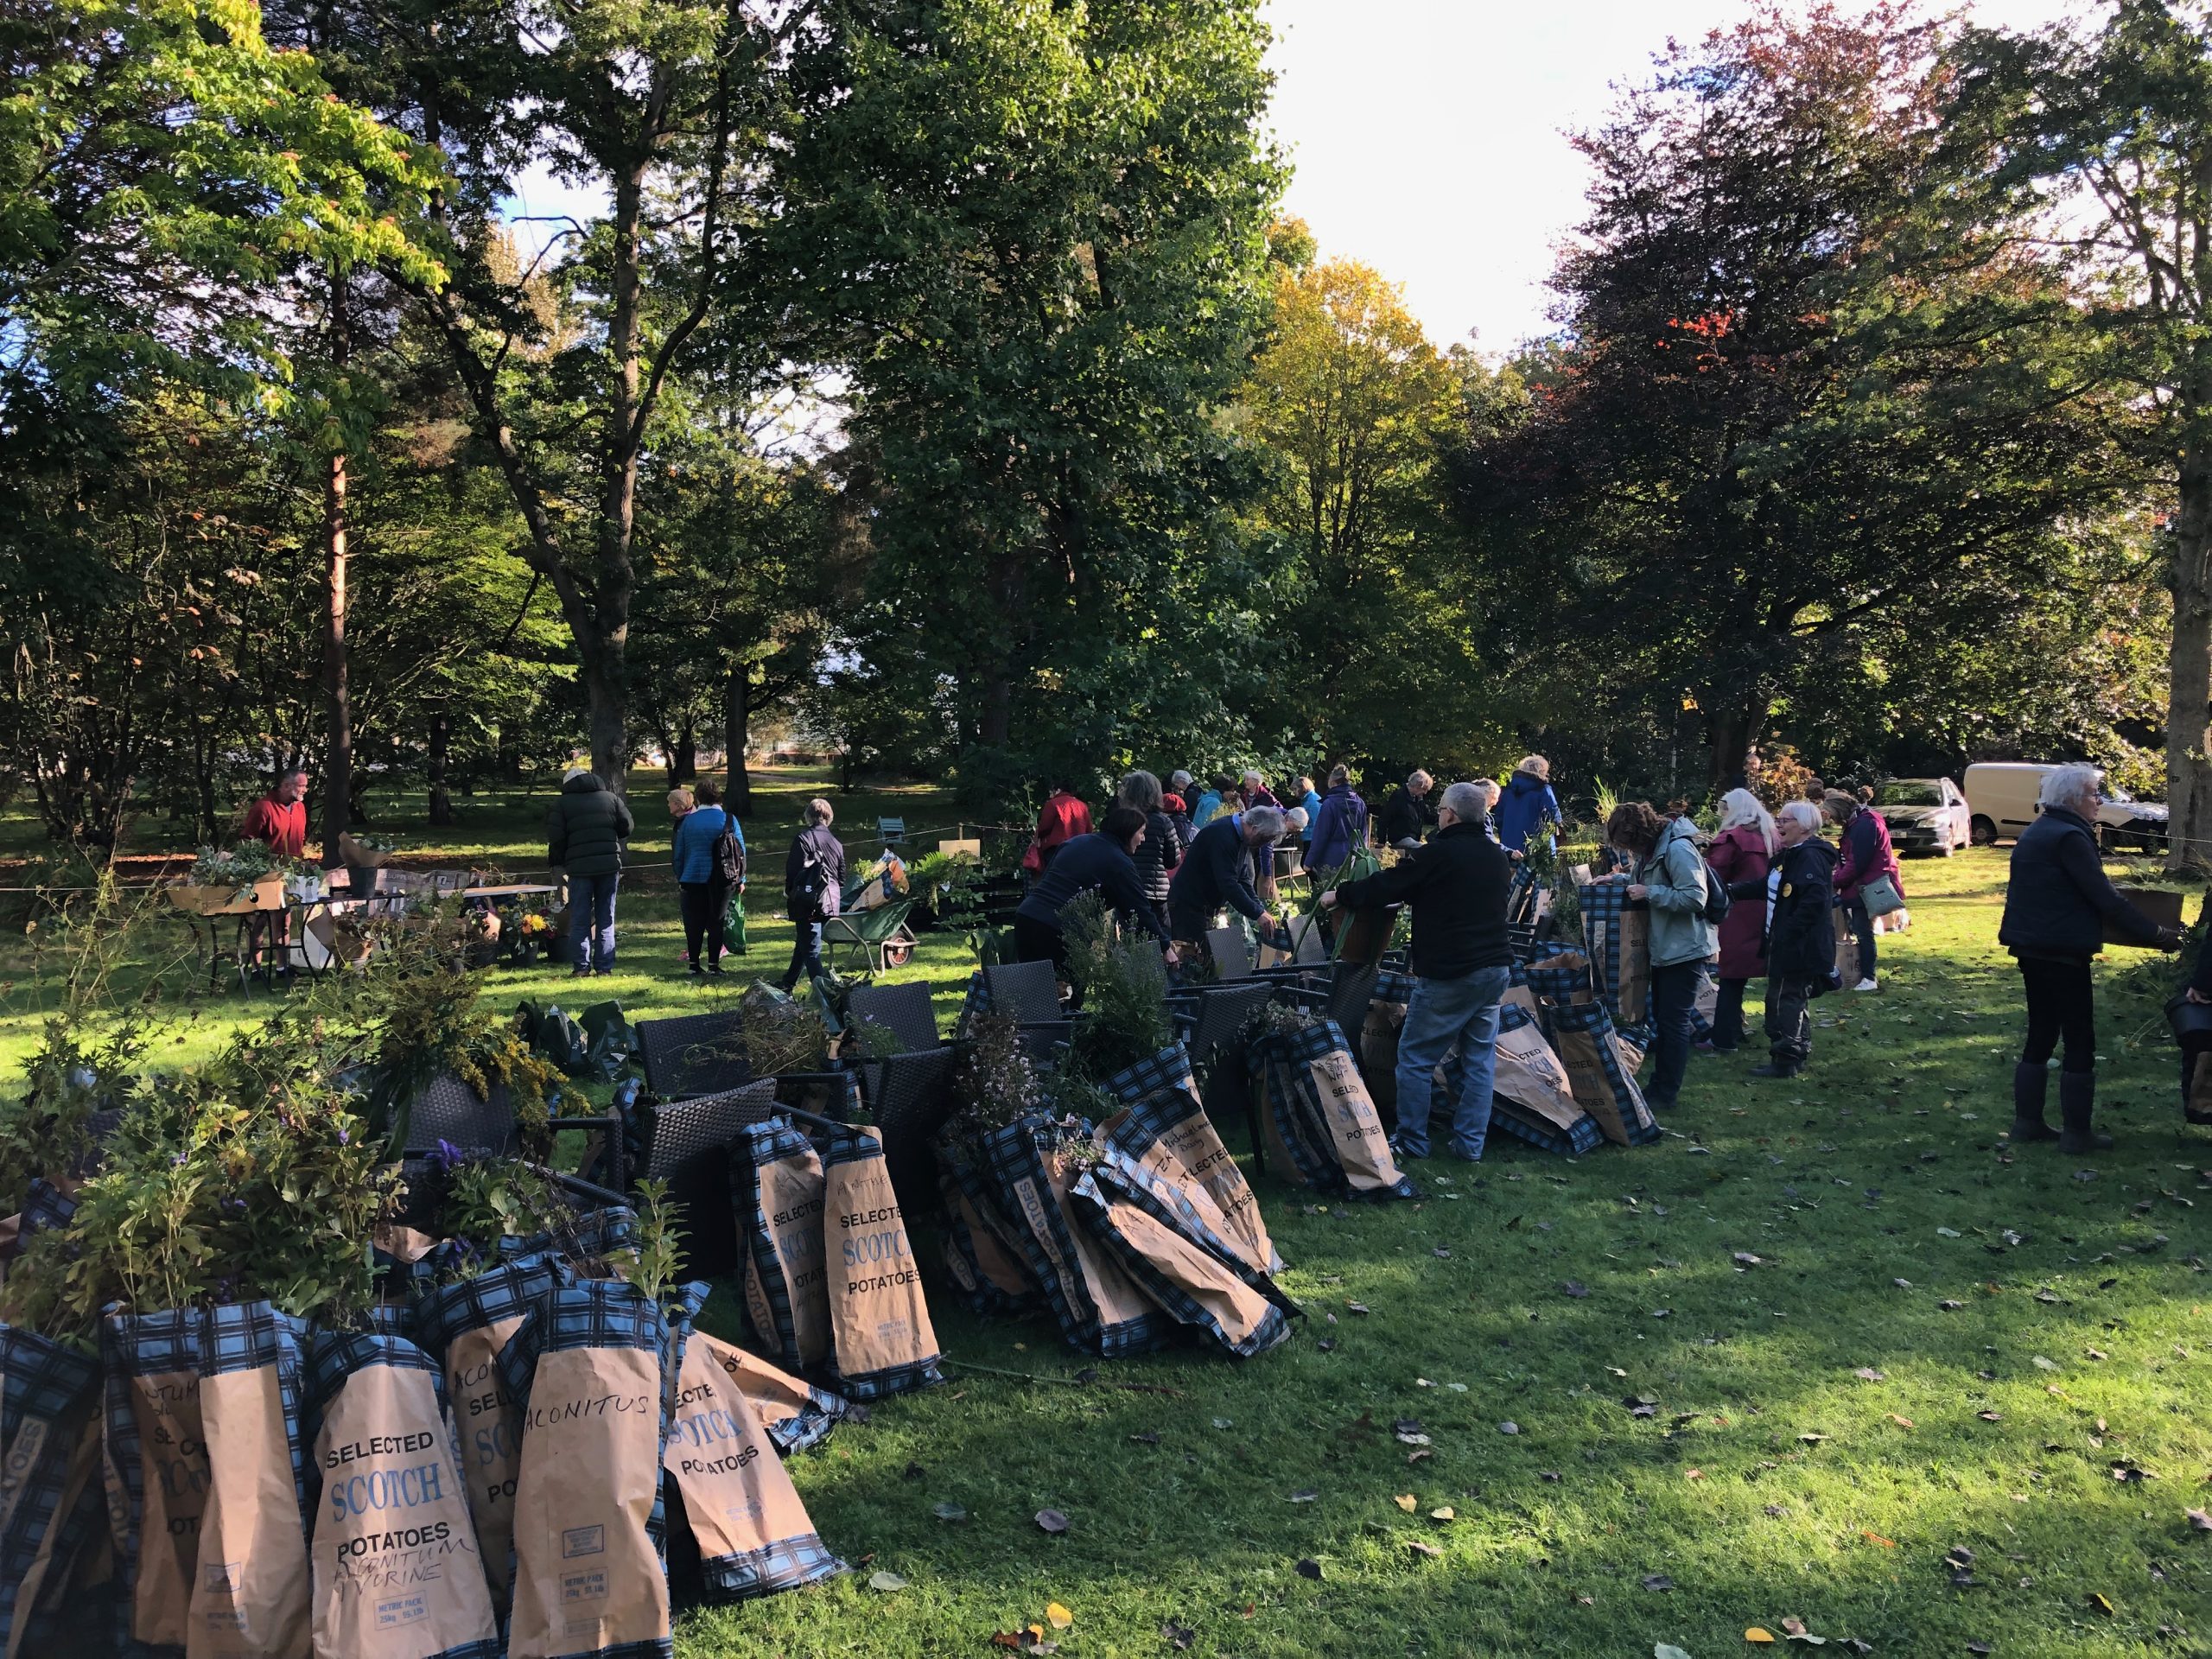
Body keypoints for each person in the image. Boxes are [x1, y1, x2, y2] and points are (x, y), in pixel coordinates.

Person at [1319, 781, 1510, 1161]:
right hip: (1495, 970)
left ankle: (1411, 1140)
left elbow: (1389, 884)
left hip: (1450, 972)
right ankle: (1470, 1146)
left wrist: (1338, 895)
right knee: (1478, 1062)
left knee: (1415, 1058)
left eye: (1439, 809)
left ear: (1450, 815)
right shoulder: (1496, 856)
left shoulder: (1439, 854)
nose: (1435, 815)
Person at [1997, 763, 2182, 1152]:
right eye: (2093, 795)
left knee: (2042, 1033)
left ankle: (2027, 1124)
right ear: (2072, 799)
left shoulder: (2039, 831)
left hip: (2032, 946)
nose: (2098, 802)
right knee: (2079, 1038)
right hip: (2062, 950)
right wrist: (2158, 934)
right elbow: (2105, 898)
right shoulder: (2068, 836)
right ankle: (2077, 1134)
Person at [1607, 799, 1717, 1113]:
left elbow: (1695, 897)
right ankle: (1658, 1086)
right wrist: (1615, 881)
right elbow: (1643, 883)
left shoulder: (1678, 850)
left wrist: (1650, 894)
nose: (1629, 850)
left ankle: (1666, 1092)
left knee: (1674, 1023)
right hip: (1666, 947)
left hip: (1686, 948)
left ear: (1639, 834)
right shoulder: (1653, 850)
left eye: (1628, 843)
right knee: (1666, 1021)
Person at [1014, 805, 1179, 983]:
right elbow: (1139, 910)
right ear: (1128, 832)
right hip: (1059, 929)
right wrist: (1165, 947)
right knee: (1068, 992)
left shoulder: (1074, 843)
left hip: (1027, 916)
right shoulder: (1119, 862)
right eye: (1141, 833)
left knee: (1031, 990)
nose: (1143, 839)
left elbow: (1047, 879)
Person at [1733, 800, 1839, 1079]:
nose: (1778, 825)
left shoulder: (1810, 857)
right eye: (1778, 820)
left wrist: (1787, 933)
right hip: (1782, 942)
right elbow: (1766, 885)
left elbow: (1814, 902)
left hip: (1799, 946)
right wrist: (1732, 890)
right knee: (1791, 998)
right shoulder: (1787, 856)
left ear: (1804, 826)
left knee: (1784, 1001)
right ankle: (1797, 1052)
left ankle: (1785, 1059)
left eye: (1785, 821)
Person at [1705, 788, 1776, 1053]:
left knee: (1731, 977)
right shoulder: (1768, 835)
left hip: (1736, 912)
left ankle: (1724, 1037)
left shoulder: (1732, 838)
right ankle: (1738, 1029)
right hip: (1765, 909)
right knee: (1744, 977)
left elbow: (1714, 876)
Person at [548, 766, 635, 976]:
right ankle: (604, 967)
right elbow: (627, 826)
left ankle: (581, 967)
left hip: (579, 868)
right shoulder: (611, 798)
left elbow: (556, 837)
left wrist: (562, 859)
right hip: (608, 865)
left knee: (580, 917)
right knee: (607, 917)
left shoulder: (562, 804)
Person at [1166, 804, 1287, 952]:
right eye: (1265, 839)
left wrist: (1260, 910)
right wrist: (1257, 913)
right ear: (1255, 829)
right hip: (1188, 906)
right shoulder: (1223, 835)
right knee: (1191, 959)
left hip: (1201, 906)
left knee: (1203, 959)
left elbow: (1243, 880)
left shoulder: (1240, 837)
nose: (1264, 844)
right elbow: (1228, 884)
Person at [1827, 791, 1901, 993]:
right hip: (1861, 883)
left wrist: (1836, 880)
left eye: (1831, 814)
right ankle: (1862, 973)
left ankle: (1868, 976)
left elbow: (1857, 862)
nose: (1831, 819)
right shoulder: (1862, 821)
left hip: (1865, 885)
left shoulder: (1864, 825)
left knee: (1863, 931)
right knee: (1860, 929)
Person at [672, 780, 741, 976]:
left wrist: (680, 875)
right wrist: (741, 880)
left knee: (694, 924)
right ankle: (713, 965)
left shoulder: (688, 822)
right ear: (718, 796)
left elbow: (679, 853)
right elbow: (740, 851)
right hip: (722, 879)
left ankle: (694, 964)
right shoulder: (729, 820)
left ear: (698, 798)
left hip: (692, 877)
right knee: (716, 922)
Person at [779, 798, 846, 991]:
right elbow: (841, 878)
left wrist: (789, 891)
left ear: (808, 816)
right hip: (829, 902)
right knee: (805, 943)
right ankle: (788, 982)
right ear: (829, 817)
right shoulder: (836, 843)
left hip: (808, 900)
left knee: (811, 949)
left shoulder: (803, 838)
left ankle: (826, 993)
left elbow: (793, 870)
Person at [1119, 770, 1184, 935]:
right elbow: (1173, 860)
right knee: (1160, 938)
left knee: (1130, 938)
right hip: (1156, 892)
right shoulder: (1163, 822)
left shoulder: (1121, 820)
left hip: (1127, 888)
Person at [1494, 756, 1560, 859]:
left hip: (1509, 849)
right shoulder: (1543, 790)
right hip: (1537, 848)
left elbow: (1498, 819)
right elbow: (1554, 816)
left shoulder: (1508, 792)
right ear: (1541, 770)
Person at [1307, 765, 1370, 873]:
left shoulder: (1329, 804)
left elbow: (1321, 835)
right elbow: (1364, 835)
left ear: (1332, 782)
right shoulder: (1360, 803)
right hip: (1354, 855)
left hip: (1331, 856)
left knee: (1330, 888)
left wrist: (1309, 862)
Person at [243, 765, 310, 858]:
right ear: (286, 785)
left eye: (305, 786)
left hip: (294, 869)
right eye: (301, 786)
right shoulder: (264, 807)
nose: (305, 790)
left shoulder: (300, 807)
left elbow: (301, 839)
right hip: (268, 869)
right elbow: (247, 842)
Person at [1035, 780, 1091, 871]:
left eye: (1051, 792)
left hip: (1056, 848)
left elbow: (1045, 827)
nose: (1050, 796)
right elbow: (1089, 829)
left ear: (1058, 790)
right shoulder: (1082, 806)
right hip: (1079, 848)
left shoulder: (1052, 804)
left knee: (1055, 877)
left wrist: (1039, 836)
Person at [1378, 770, 1436, 849]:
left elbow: (1427, 817)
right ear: (1417, 785)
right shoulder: (1398, 797)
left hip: (1412, 838)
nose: (1425, 793)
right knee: (1423, 848)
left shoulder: (1417, 799)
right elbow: (1385, 818)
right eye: (1424, 789)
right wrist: (1381, 841)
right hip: (1399, 839)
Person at [1297, 775, 1322, 841]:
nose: (1293, 792)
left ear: (1302, 788)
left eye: (1295, 789)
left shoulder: (1313, 801)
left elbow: (1316, 824)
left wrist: (1301, 829)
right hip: (1310, 837)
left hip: (1312, 839)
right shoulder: (1308, 800)